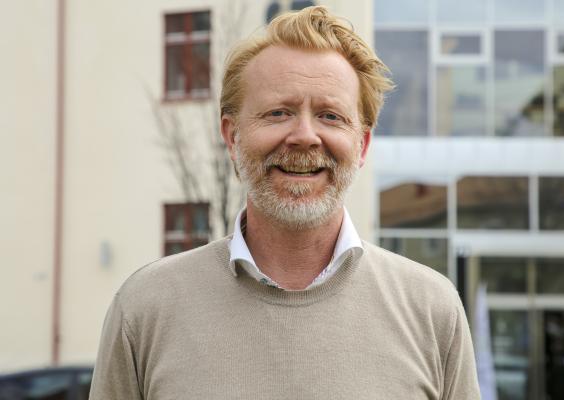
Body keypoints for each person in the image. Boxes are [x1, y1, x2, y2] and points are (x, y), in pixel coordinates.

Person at [89, 6, 480, 399]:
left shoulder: (432, 310)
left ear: (362, 145)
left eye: (330, 116)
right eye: (278, 113)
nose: (305, 136)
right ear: (232, 137)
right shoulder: (145, 309)